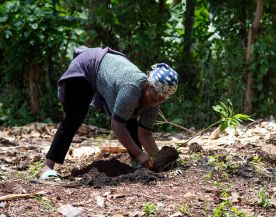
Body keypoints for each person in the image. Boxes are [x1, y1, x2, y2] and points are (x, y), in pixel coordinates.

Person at [39, 46, 178, 179]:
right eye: (153, 97)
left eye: (161, 100)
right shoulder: (131, 88)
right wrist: (140, 154)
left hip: (107, 75)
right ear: (148, 84)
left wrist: (158, 158)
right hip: (87, 67)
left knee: (129, 119)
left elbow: (145, 133)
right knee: (74, 117)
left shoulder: (155, 103)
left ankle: (137, 164)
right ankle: (47, 168)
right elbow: (117, 126)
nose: (155, 102)